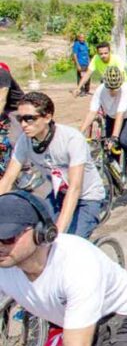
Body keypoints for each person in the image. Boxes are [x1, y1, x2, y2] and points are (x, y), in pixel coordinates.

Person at [0, 192, 127, 346]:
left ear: (41, 233)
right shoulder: (5, 266)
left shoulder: (77, 266)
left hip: (119, 319)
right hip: (65, 320)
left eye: (7, 237)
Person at [0, 92, 105, 238]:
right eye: (20, 119)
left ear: (47, 117)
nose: (23, 124)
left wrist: (58, 231)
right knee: (33, 236)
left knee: (68, 242)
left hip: (87, 197)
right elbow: (7, 180)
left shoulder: (71, 139)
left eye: (29, 119)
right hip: (59, 194)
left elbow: (75, 188)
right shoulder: (25, 140)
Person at [78, 66, 127, 178]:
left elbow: (120, 115)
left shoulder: (126, 89)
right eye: (110, 88)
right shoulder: (100, 91)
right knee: (109, 149)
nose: (113, 91)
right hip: (112, 116)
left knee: (123, 140)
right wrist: (80, 132)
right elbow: (92, 113)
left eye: (116, 88)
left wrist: (114, 137)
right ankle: (116, 178)